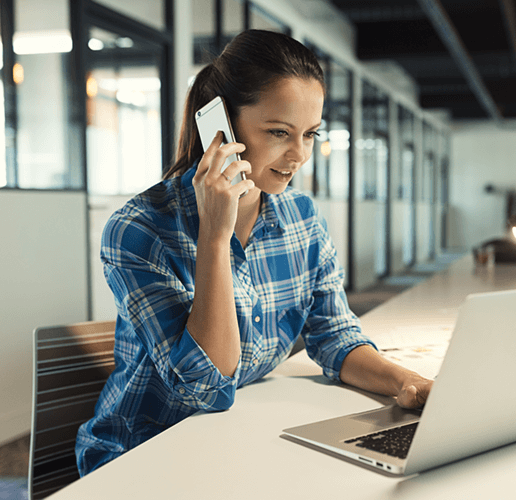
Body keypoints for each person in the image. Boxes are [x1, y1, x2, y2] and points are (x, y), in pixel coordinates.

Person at [76, 29, 432, 476]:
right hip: (142, 454)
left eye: (310, 134)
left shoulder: (302, 217)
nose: (299, 155)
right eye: (279, 132)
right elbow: (207, 386)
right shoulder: (140, 229)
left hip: (234, 440)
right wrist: (215, 237)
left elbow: (334, 336)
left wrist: (410, 384)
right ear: (221, 126)